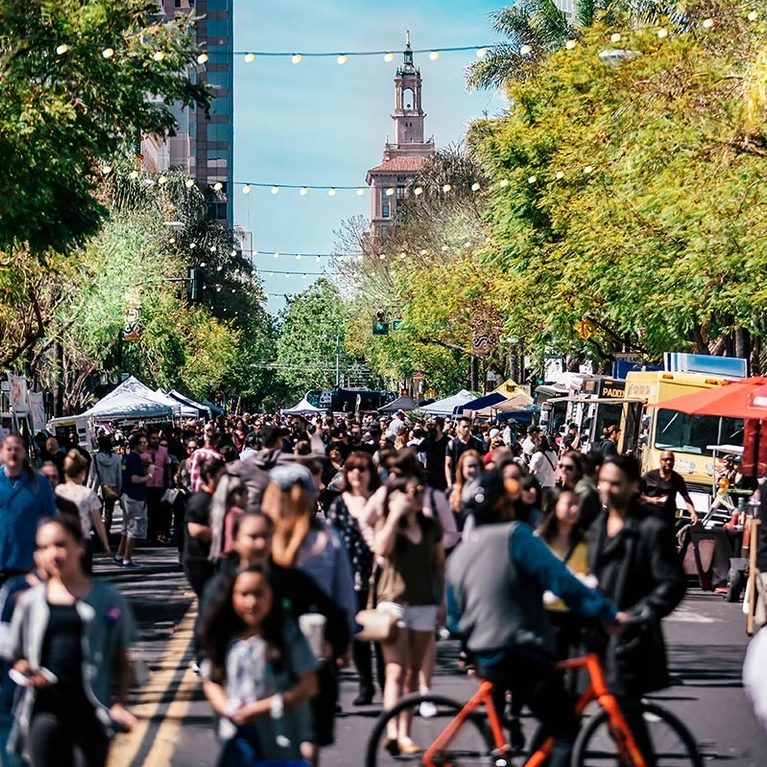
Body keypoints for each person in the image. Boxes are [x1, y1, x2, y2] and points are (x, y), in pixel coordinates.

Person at [447, 471, 620, 767]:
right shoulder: (516, 535)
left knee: (542, 718)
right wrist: (605, 612)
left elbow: (454, 616)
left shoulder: (460, 552)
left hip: (483, 651)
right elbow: (561, 581)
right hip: (519, 648)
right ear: (502, 503)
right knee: (566, 728)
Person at [8, 516, 136, 767]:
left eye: (60, 544)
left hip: (90, 712)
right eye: (43, 548)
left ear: (80, 546)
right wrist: (28, 672)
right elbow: (18, 658)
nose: (52, 554)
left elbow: (123, 660)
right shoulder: (30, 601)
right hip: (45, 711)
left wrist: (120, 704)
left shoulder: (108, 599)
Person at [589, 455, 686, 766]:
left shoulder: (651, 528)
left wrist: (634, 617)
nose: (606, 488)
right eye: (603, 481)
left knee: (627, 724)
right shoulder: (597, 526)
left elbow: (671, 585)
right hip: (592, 640)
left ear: (633, 486)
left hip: (629, 644)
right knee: (564, 717)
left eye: (615, 483)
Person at [262, 464, 357, 750]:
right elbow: (344, 597)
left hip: (267, 646)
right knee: (309, 734)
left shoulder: (257, 535)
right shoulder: (327, 538)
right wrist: (344, 643)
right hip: (317, 644)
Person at [198, 564, 318, 765]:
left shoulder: (287, 634)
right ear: (232, 596)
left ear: (272, 594)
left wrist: (265, 707)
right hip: (236, 736)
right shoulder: (224, 636)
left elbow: (309, 685)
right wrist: (226, 707)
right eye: (244, 594)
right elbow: (211, 680)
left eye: (259, 594)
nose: (251, 602)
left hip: (280, 737)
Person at [373, 475, 446, 755]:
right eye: (411, 491)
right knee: (395, 671)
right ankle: (392, 732)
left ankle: (405, 733)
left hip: (424, 602)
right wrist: (393, 517)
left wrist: (442, 603)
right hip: (393, 602)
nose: (416, 495)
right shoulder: (390, 522)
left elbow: (440, 564)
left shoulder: (430, 526)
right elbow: (381, 549)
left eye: (420, 490)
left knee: (413, 674)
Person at [326, 451, 381, 706]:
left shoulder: (380, 501)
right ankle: (365, 686)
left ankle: (386, 686)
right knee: (358, 633)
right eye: (352, 469)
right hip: (349, 576)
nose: (357, 474)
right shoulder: (339, 503)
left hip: (379, 576)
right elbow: (333, 542)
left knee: (382, 636)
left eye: (362, 469)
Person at [537, 488, 593, 660]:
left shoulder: (585, 541)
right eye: (569, 504)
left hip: (575, 617)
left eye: (576, 504)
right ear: (554, 507)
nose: (575, 509)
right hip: (544, 617)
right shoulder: (540, 541)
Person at [0, 435, 56, 583]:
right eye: (9, 449)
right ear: (1, 453)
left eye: (17, 449)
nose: (13, 453)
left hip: (30, 564)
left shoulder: (39, 483)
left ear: (24, 452)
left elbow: (51, 521)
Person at [55, 450, 111, 572]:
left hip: (63, 539)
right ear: (82, 472)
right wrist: (105, 544)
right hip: (83, 539)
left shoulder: (58, 491)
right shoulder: (88, 494)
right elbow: (98, 522)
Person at [184, 457, 227, 597]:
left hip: (212, 559)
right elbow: (195, 529)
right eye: (222, 475)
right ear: (210, 476)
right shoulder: (200, 500)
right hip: (199, 561)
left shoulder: (217, 498)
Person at [114, 433, 150, 570]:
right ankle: (127, 559)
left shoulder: (128, 458)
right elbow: (135, 479)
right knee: (133, 529)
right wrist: (149, 476)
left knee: (125, 528)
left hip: (126, 495)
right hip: (134, 496)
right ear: (135, 445)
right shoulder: (134, 458)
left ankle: (119, 555)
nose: (144, 445)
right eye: (142, 443)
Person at [640, 450, 699, 527]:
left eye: (670, 460)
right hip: (649, 517)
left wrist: (693, 513)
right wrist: (651, 500)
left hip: (667, 519)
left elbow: (686, 498)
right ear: (660, 461)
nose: (668, 462)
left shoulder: (677, 479)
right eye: (665, 459)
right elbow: (635, 494)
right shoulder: (649, 476)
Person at [141, 427, 172, 545]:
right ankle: (150, 535)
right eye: (153, 438)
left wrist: (169, 479)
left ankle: (160, 534)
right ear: (148, 438)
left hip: (160, 484)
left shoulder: (163, 451)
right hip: (147, 485)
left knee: (161, 511)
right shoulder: (142, 451)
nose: (156, 440)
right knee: (149, 511)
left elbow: (167, 465)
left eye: (157, 438)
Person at [87, 436, 121, 535]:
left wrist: (89, 489)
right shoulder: (116, 458)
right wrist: (119, 488)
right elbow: (119, 475)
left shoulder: (96, 458)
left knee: (97, 512)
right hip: (112, 487)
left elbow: (91, 476)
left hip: (98, 489)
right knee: (109, 512)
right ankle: (107, 530)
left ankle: (98, 531)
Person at [445, 417, 485, 489]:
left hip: (474, 482)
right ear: (458, 427)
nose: (466, 429)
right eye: (464, 427)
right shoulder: (452, 444)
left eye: (468, 426)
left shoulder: (477, 444)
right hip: (457, 483)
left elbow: (482, 463)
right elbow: (448, 465)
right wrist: (449, 483)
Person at [448, 450, 482, 522]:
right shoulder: (451, 493)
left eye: (475, 466)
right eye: (469, 466)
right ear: (462, 468)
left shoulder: (488, 490)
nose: (473, 470)